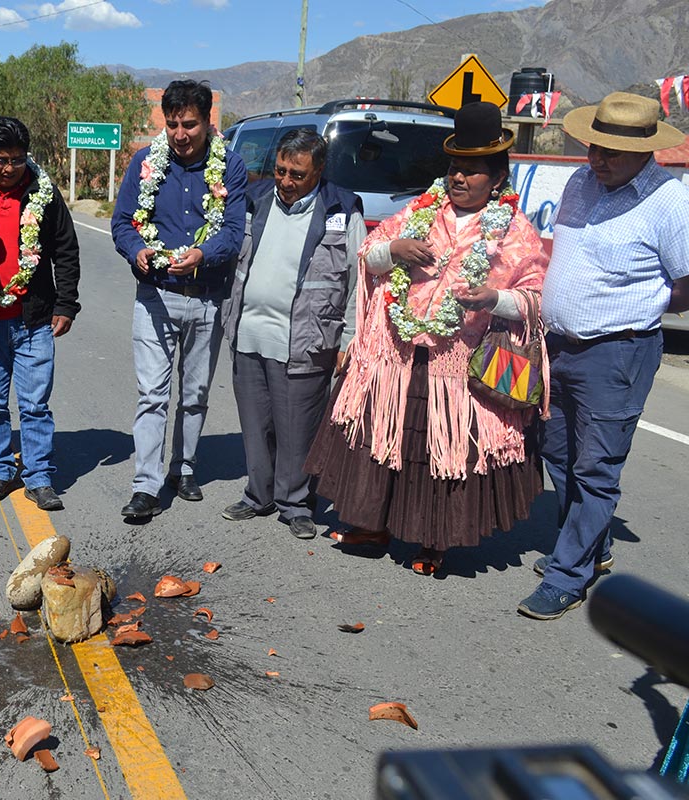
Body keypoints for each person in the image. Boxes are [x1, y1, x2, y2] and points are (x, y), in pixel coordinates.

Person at [305, 102, 548, 575]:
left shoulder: (516, 232)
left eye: (473, 172)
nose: (459, 179)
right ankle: (372, 526)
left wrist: (494, 298)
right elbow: (369, 257)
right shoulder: (421, 210)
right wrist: (394, 249)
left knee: (440, 449)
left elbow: (534, 300)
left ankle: (434, 541)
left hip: (460, 367)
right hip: (398, 356)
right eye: (456, 168)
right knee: (385, 438)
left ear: (497, 178)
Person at [518, 92, 689, 620]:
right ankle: (591, 545)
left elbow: (685, 285)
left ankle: (571, 574)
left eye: (612, 152)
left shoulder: (671, 202)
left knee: (596, 467)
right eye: (595, 147)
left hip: (617, 352)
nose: (598, 158)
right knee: (554, 449)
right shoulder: (578, 183)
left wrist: (641, 307)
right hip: (557, 346)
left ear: (646, 151)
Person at [111, 79, 246, 519]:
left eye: (189, 124)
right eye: (172, 125)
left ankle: (183, 468)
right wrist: (137, 251)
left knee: (196, 392)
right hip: (155, 297)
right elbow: (122, 224)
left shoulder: (231, 167)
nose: (180, 134)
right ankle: (145, 487)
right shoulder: (143, 164)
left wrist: (203, 255)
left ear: (208, 121)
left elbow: (233, 232)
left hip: (207, 298)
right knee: (152, 394)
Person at [220, 128, 365, 539]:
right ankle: (258, 494)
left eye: (297, 174)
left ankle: (296, 502)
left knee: (297, 430)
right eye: (280, 170)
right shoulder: (256, 200)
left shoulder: (341, 209)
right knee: (255, 424)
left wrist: (351, 337)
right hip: (249, 333)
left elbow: (361, 280)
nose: (285, 181)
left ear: (319, 170)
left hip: (307, 338)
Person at [0, 117, 81, 510]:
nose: (9, 168)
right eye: (0, 160)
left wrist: (66, 303)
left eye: (17, 159)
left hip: (33, 319)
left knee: (35, 404)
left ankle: (39, 476)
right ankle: (0, 470)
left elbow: (65, 249)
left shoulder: (43, 192)